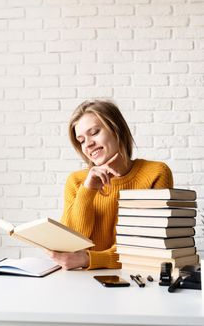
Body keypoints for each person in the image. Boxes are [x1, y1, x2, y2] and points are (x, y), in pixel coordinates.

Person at [46, 100, 173, 270]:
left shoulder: (156, 173)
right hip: (79, 281)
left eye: (95, 132)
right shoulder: (76, 181)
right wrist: (88, 190)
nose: (88, 144)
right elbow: (70, 246)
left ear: (116, 129)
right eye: (81, 140)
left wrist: (89, 260)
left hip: (135, 279)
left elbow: (147, 247)